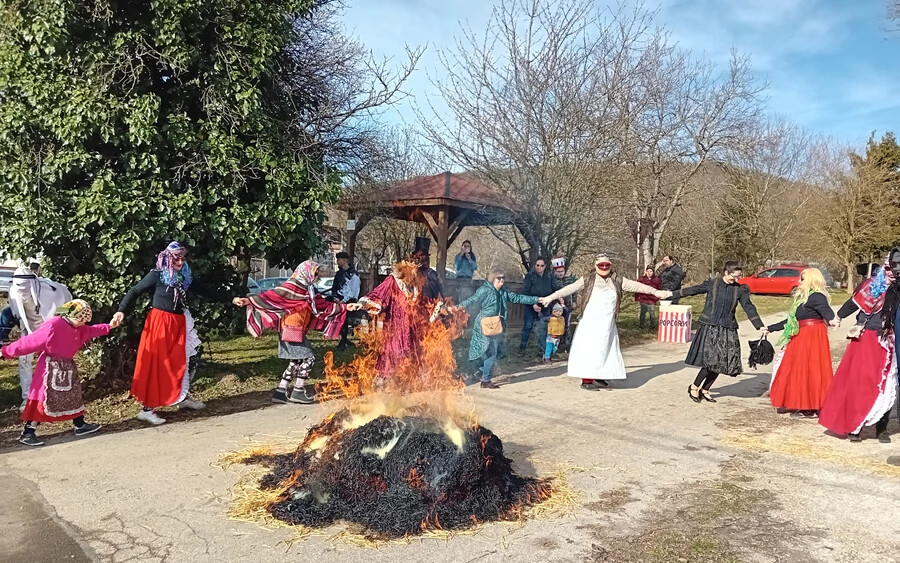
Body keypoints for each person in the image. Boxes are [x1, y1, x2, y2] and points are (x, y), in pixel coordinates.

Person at [113, 242, 229, 425]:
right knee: (158, 363)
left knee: (181, 360)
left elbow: (206, 291)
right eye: (177, 259)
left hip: (178, 323)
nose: (180, 262)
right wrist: (121, 310)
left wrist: (232, 299)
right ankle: (147, 409)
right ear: (168, 258)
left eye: (183, 258)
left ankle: (181, 398)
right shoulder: (157, 275)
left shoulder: (185, 277)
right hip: (160, 323)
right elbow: (135, 291)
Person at [1, 300, 121, 447]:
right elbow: (30, 342)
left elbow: (92, 330)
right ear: (74, 317)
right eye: (82, 320)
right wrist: (5, 352)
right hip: (49, 368)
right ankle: (28, 432)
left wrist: (109, 326)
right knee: (42, 397)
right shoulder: (54, 325)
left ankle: (80, 424)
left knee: (73, 395)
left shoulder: (79, 328)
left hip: (68, 367)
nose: (84, 323)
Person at [540, 254, 668, 390]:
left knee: (605, 349)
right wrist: (550, 297)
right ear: (595, 266)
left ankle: (599, 374)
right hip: (590, 322)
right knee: (589, 349)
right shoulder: (588, 279)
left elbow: (636, 286)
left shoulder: (617, 279)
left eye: (607, 265)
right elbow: (570, 288)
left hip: (607, 323)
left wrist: (655, 292)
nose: (605, 267)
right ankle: (587, 379)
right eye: (601, 265)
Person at [234, 260, 347, 404]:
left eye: (317, 273)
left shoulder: (309, 289)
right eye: (315, 272)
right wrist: (249, 301)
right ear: (306, 272)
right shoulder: (293, 286)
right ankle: (298, 391)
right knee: (309, 358)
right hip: (291, 328)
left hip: (296, 328)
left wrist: (344, 307)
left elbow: (321, 305)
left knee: (297, 360)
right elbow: (272, 296)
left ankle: (280, 392)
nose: (317, 275)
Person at [819, 250, 899, 443]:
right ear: (883, 268)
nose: (891, 272)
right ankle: (856, 426)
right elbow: (852, 303)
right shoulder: (870, 285)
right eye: (887, 268)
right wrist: (837, 317)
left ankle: (881, 428)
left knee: (886, 384)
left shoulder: (898, 288)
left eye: (894, 269)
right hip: (866, 339)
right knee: (860, 384)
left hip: (889, 342)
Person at [670, 261, 767, 403]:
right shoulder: (713, 283)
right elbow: (693, 290)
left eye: (739, 276)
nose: (737, 279)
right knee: (711, 361)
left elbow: (749, 307)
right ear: (726, 272)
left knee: (722, 362)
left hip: (728, 328)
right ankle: (694, 386)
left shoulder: (740, 289)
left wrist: (760, 326)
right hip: (710, 326)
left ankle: (705, 389)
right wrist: (670, 294)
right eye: (734, 276)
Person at [351, 259, 441, 378]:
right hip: (395, 327)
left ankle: (408, 380)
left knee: (413, 354)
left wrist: (436, 307)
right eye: (413, 271)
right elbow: (378, 294)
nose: (415, 273)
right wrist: (362, 304)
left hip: (413, 328)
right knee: (393, 353)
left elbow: (424, 302)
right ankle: (388, 382)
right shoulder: (392, 281)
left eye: (416, 271)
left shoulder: (416, 284)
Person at [765, 268, 835, 418]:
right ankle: (797, 402)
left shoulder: (817, 296)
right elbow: (792, 320)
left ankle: (810, 407)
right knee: (796, 369)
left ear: (810, 280)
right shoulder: (803, 298)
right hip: (801, 334)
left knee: (809, 370)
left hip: (812, 336)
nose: (799, 282)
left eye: (802, 279)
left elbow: (827, 312)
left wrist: (833, 319)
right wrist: (771, 328)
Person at [458, 268, 540, 388]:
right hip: (483, 326)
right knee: (486, 353)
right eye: (498, 278)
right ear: (492, 279)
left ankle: (479, 374)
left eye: (503, 278)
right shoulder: (485, 290)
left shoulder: (503, 292)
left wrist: (536, 299)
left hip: (496, 326)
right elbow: (472, 300)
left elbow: (518, 298)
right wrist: (456, 307)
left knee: (491, 352)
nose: (501, 280)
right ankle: (484, 379)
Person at [8, 260, 73, 411]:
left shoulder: (51, 291)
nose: (22, 291)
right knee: (24, 360)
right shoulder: (13, 292)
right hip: (30, 330)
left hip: (52, 329)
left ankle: (55, 394)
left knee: (54, 363)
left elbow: (66, 306)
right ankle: (27, 398)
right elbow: (16, 314)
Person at [520, 257, 553, 355]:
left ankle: (542, 349)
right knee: (528, 326)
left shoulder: (549, 277)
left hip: (544, 305)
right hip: (531, 305)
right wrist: (533, 304)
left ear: (545, 266)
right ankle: (522, 347)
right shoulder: (530, 276)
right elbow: (525, 292)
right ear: (535, 265)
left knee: (543, 327)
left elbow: (553, 290)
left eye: (542, 265)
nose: (539, 267)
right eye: (537, 265)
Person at [329, 251, 360, 350]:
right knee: (325, 301)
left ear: (345, 260)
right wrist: (335, 297)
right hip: (339, 298)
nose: (337, 261)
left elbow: (353, 291)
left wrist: (343, 301)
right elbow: (334, 287)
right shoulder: (339, 274)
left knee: (343, 313)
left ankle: (343, 340)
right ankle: (329, 330)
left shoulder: (354, 275)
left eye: (339, 259)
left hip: (349, 300)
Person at [550, 257, 577, 351]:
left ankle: (567, 346)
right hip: (556, 307)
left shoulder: (569, 280)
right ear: (555, 271)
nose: (560, 273)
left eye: (562, 271)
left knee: (567, 326)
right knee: (556, 325)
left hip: (568, 306)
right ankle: (555, 346)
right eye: (558, 271)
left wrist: (574, 301)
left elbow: (574, 291)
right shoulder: (552, 281)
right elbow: (551, 292)